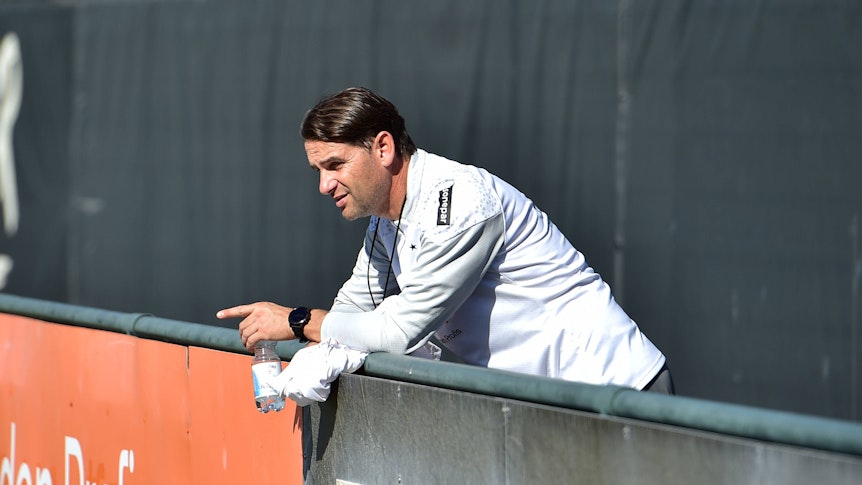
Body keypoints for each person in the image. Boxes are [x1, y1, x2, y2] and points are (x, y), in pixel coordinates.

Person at [217, 86, 674, 394]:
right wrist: (321, 350)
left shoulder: (460, 203)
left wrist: (297, 321)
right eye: (317, 170)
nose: (324, 185)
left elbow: (397, 332)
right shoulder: (384, 220)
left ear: (383, 148)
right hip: (552, 402)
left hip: (618, 390)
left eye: (335, 165)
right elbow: (352, 311)